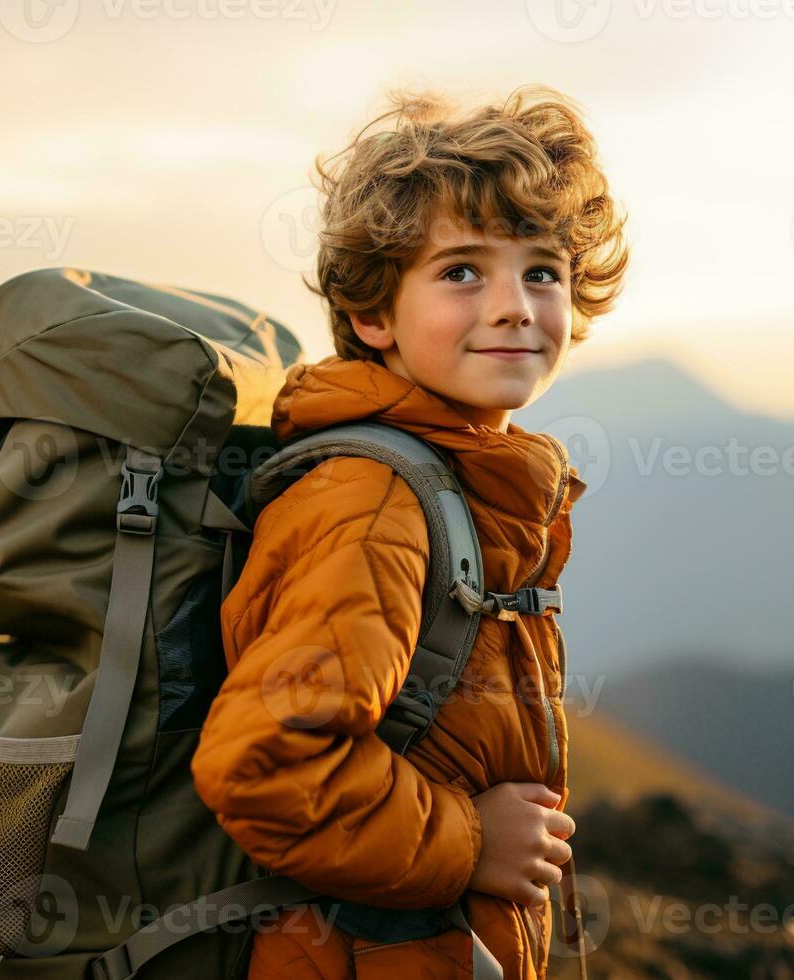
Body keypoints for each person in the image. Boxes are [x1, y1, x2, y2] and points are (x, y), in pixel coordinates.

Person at [191, 83, 628, 979]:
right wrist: (470, 841)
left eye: (541, 270)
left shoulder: (469, 479)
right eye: (462, 271)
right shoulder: (374, 502)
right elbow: (267, 766)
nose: (514, 305)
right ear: (372, 315)